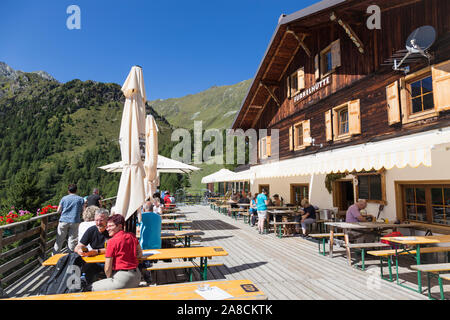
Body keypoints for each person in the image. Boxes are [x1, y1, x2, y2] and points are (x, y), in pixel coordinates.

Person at [91, 214, 143, 292]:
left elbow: (107, 268)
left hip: (123, 279)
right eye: (107, 226)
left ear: (120, 226)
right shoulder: (131, 236)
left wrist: (109, 279)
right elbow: (140, 254)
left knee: (90, 288)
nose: (107, 229)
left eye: (111, 226)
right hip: (137, 276)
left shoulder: (112, 241)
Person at [74, 208, 110, 284]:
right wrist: (80, 251)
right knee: (84, 267)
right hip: (95, 261)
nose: (98, 223)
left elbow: (114, 248)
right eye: (96, 220)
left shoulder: (112, 230)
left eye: (101, 220)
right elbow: (78, 247)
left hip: (110, 260)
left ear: (107, 220)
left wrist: (97, 252)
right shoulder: (92, 230)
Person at [53, 184, 85, 254]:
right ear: (76, 190)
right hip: (75, 221)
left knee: (59, 240)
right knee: (72, 241)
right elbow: (84, 211)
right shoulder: (80, 199)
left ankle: (54, 258)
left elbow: (58, 210)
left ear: (68, 191)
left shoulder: (64, 198)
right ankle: (70, 258)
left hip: (63, 221)